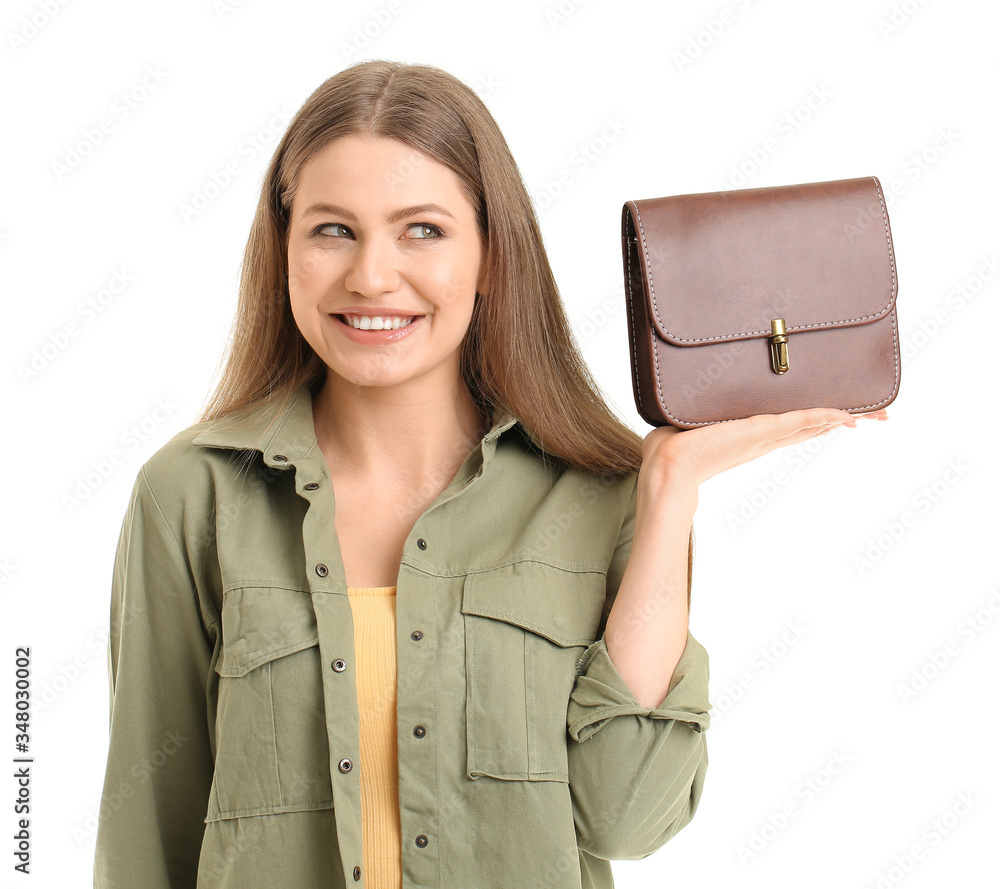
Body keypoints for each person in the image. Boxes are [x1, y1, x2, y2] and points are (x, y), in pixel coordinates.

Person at [92, 59, 887, 889]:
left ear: (491, 254)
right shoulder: (190, 494)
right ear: (282, 248)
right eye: (332, 230)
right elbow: (148, 835)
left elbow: (628, 815)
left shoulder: (602, 496)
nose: (371, 275)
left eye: (423, 230)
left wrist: (667, 496)